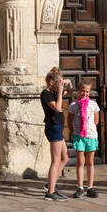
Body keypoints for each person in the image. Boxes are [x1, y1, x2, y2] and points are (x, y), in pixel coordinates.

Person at [39, 68, 72, 200]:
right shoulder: (46, 94)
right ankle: (51, 192)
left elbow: (69, 92)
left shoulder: (54, 92)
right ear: (52, 82)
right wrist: (59, 92)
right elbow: (58, 108)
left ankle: (50, 184)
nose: (60, 85)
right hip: (53, 128)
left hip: (58, 128)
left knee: (65, 158)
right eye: (58, 82)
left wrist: (68, 84)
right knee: (56, 160)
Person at [69, 82, 100, 199]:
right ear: (78, 90)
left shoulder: (93, 105)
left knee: (90, 162)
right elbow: (70, 120)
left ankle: (90, 187)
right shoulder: (73, 105)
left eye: (87, 91)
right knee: (80, 162)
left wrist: (89, 130)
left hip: (91, 136)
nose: (85, 93)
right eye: (82, 91)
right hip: (79, 136)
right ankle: (80, 187)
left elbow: (96, 121)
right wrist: (74, 131)